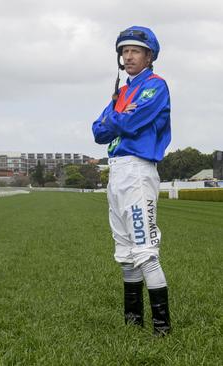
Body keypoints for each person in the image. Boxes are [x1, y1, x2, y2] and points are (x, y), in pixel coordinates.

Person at [91, 26, 172, 335]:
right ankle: (133, 323)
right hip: (116, 172)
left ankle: (162, 329)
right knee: (124, 251)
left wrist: (115, 119)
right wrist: (117, 118)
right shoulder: (122, 93)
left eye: (135, 51)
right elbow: (98, 132)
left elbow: (133, 123)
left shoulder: (155, 86)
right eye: (124, 51)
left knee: (145, 250)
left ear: (149, 56)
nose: (128, 56)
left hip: (138, 170)